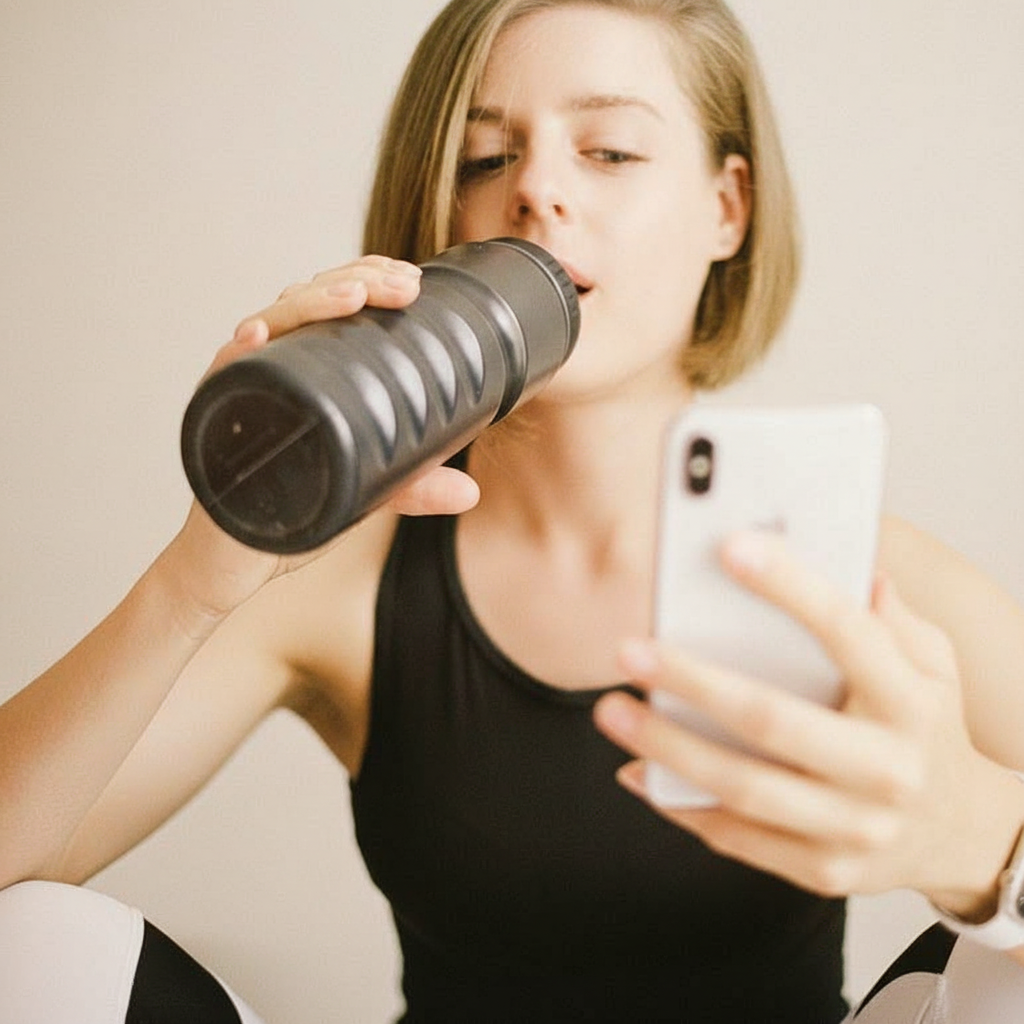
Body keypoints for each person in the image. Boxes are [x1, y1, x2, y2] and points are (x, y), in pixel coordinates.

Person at [2, 0, 1024, 1021]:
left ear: (728, 207)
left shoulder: (873, 583)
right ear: (435, 222)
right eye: (483, 159)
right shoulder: (340, 578)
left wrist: (979, 844)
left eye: (612, 151)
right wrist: (200, 572)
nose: (535, 188)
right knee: (33, 944)